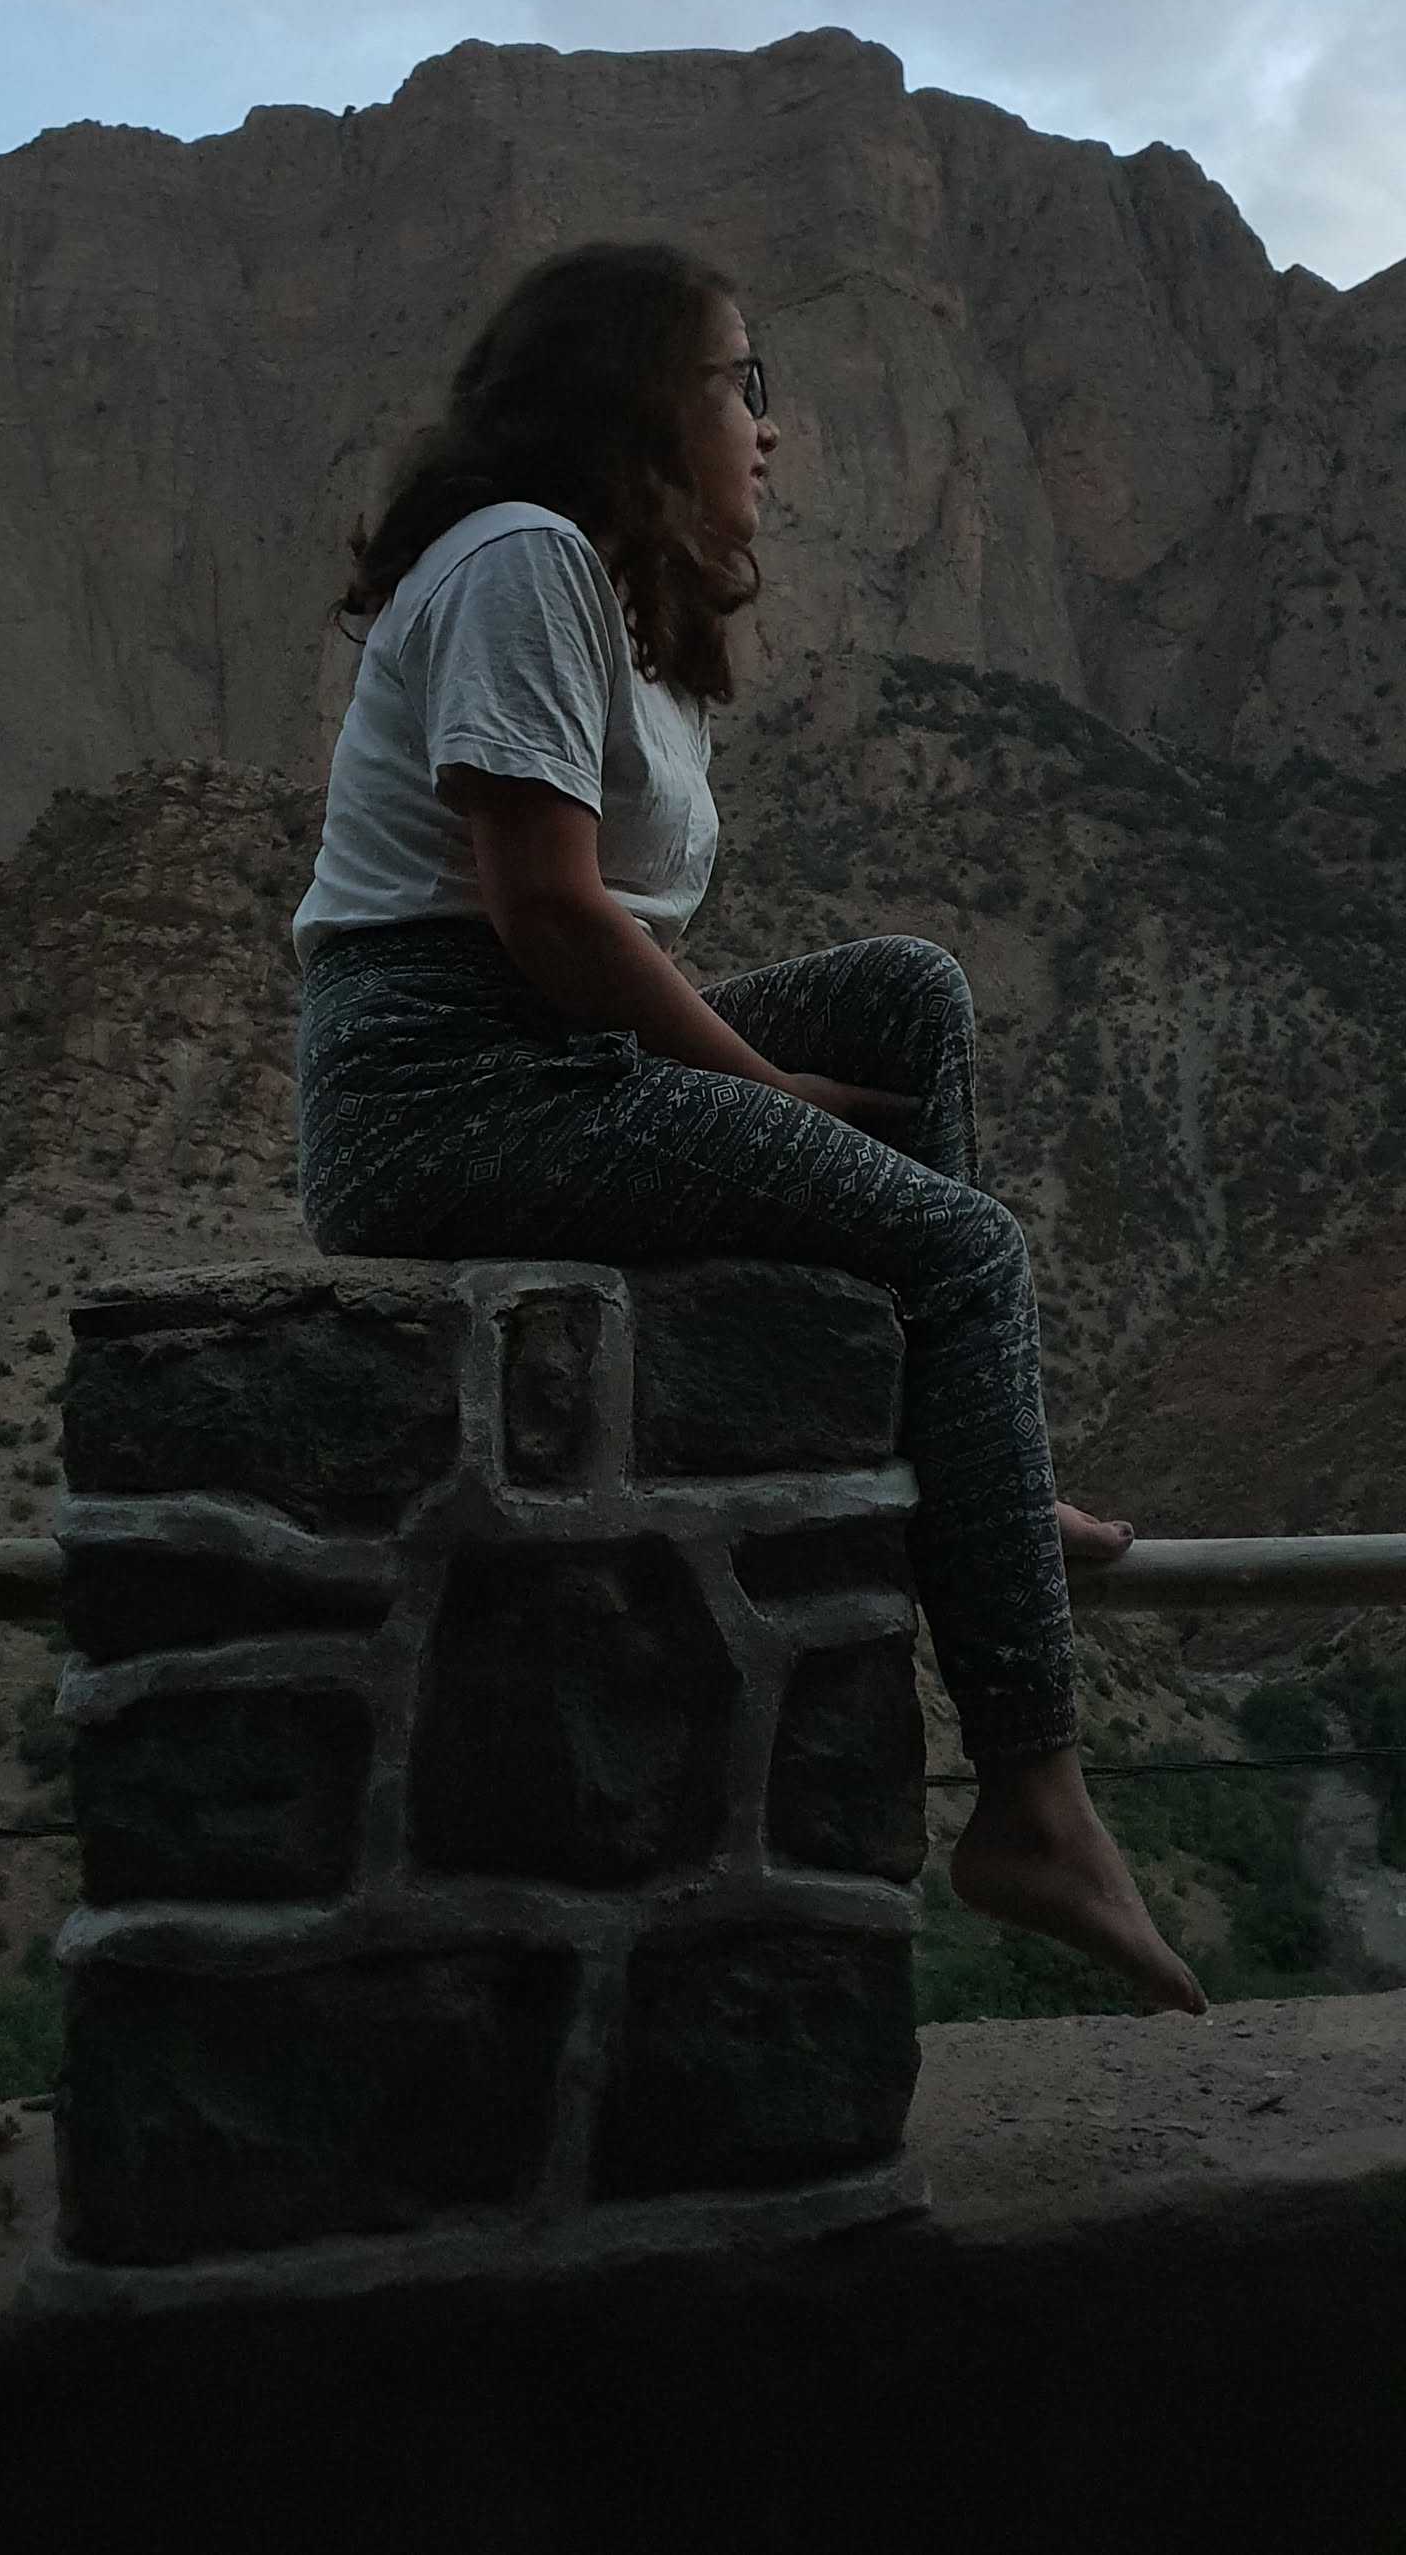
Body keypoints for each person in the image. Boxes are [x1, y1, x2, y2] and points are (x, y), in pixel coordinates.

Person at [293, 239, 1204, 2017]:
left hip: (542, 1053)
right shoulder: (521, 558)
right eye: (742, 383)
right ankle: (1034, 1801)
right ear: (646, 400)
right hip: (438, 1088)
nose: (769, 429)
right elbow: (548, 914)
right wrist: (757, 1090)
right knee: (964, 1247)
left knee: (905, 993)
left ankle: (965, 1463)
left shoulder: (611, 600)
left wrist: (750, 1077)